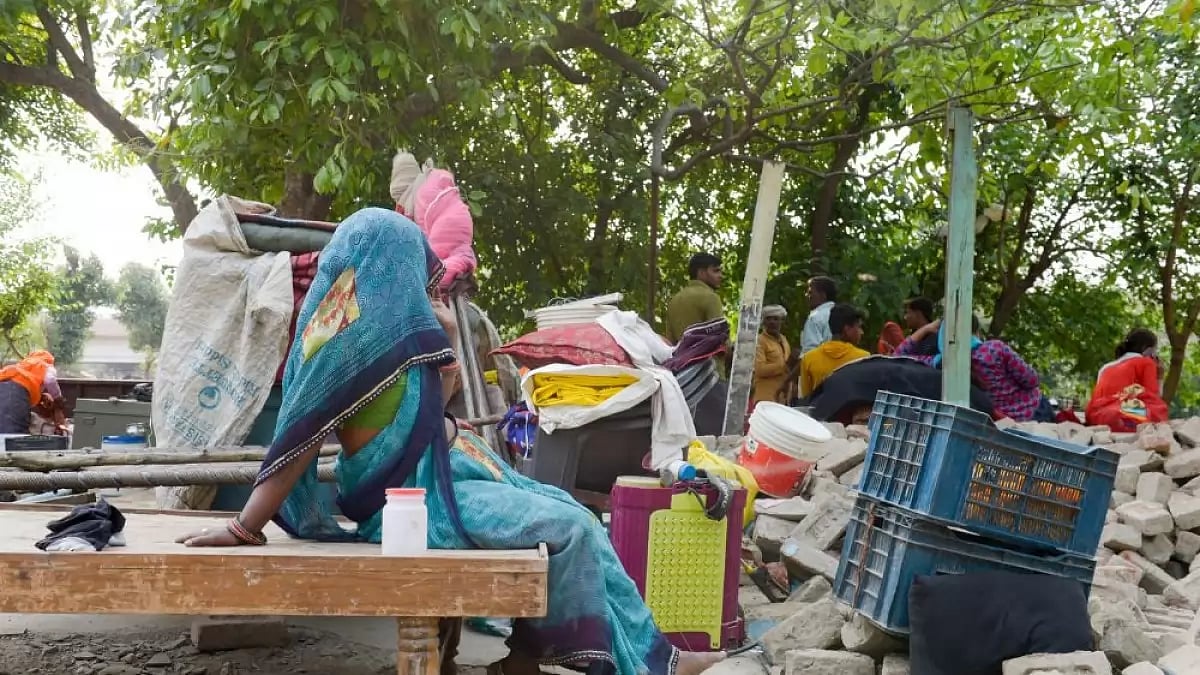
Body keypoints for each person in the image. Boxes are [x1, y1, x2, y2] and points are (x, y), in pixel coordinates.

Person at [175, 209, 724, 675]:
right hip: (407, 507)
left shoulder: (406, 335)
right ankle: (614, 659)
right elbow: (297, 438)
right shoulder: (337, 341)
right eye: (411, 267)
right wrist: (243, 527)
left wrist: (450, 362)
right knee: (572, 526)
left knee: (565, 508)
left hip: (442, 481)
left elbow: (434, 422)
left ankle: (607, 653)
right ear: (387, 266)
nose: (419, 281)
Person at [898, 317, 1046, 421]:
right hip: (1033, 413)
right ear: (976, 332)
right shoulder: (994, 349)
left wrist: (925, 329)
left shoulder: (939, 363)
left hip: (995, 423)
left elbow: (896, 357)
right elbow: (1032, 380)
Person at [1086, 328, 1169, 432]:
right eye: (1154, 351)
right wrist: (1160, 378)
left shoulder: (1105, 367)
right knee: (1159, 409)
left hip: (1094, 416)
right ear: (1147, 350)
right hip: (1121, 415)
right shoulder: (1146, 363)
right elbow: (1153, 399)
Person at [799, 303, 869, 397]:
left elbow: (806, 398)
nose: (862, 332)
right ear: (847, 329)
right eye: (859, 327)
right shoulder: (863, 358)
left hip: (820, 410)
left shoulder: (808, 359)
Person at [0, 350, 65, 434]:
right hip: (16, 394)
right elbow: (50, 380)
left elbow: (21, 382)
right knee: (15, 433)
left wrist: (40, 396)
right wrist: (58, 399)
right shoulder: (45, 365)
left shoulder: (23, 365)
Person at [666, 253, 724, 344]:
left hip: (680, 357)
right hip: (707, 357)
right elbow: (719, 340)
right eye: (716, 271)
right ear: (701, 273)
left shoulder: (674, 300)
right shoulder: (711, 298)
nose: (721, 276)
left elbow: (669, 343)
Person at [752, 306, 790, 406]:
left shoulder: (784, 339)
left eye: (776, 319)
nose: (772, 322)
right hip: (765, 397)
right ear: (763, 322)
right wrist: (783, 366)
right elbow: (759, 369)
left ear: (781, 321)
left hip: (782, 397)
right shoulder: (760, 341)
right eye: (768, 319)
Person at [800, 276, 837, 354]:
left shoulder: (815, 318)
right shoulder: (841, 313)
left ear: (823, 295)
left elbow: (810, 351)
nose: (806, 295)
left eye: (810, 292)